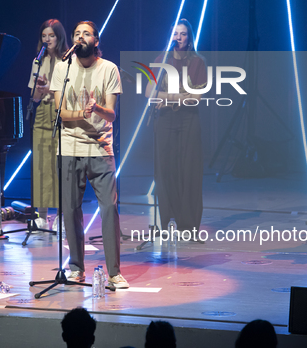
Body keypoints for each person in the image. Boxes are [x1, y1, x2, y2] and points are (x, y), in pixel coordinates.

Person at [50, 20, 128, 289]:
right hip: (69, 148)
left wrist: (95, 109)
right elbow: (59, 113)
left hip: (100, 148)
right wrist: (79, 114)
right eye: (76, 34)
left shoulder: (109, 69)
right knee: (70, 210)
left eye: (86, 33)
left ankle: (114, 273)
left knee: (109, 208)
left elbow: (112, 114)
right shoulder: (63, 67)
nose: (80, 37)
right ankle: (76, 268)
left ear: (96, 40)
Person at [145, 19, 207, 233]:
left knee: (188, 171)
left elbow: (196, 97)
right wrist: (180, 96)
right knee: (165, 170)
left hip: (189, 119)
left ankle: (188, 224)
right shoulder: (161, 60)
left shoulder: (198, 62)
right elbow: (149, 92)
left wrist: (170, 99)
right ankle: (166, 221)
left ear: (189, 38)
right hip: (164, 120)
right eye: (175, 34)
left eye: (182, 34)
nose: (178, 38)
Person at [27, 19, 69, 224]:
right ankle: (41, 216)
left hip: (62, 112)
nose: (47, 39)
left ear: (59, 36)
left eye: (51, 35)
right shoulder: (38, 60)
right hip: (43, 111)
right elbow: (34, 97)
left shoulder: (69, 59)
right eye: (44, 36)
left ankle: (62, 215)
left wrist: (51, 89)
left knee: (60, 164)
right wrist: (40, 88)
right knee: (42, 164)